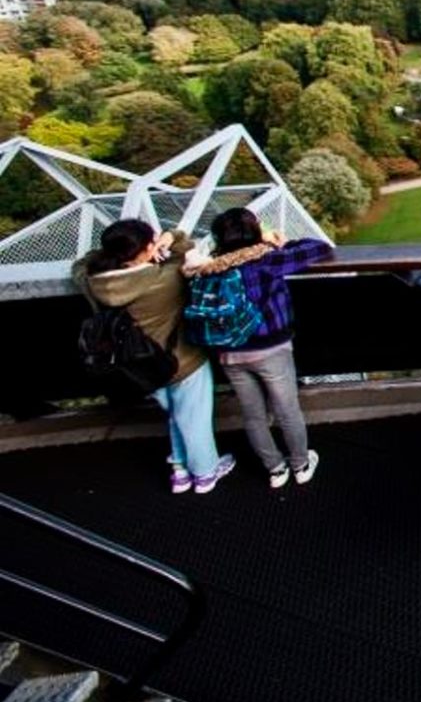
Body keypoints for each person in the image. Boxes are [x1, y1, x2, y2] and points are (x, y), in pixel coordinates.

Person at [76, 219, 234, 495]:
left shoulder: (93, 281)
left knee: (176, 416)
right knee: (193, 418)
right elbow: (189, 250)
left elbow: (81, 263)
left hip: (138, 365)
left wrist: (114, 253)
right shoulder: (166, 279)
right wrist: (171, 237)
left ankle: (181, 470)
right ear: (148, 246)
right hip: (182, 360)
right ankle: (206, 473)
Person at [183, 209, 332, 488]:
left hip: (229, 353)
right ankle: (300, 464)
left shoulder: (209, 267)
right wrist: (274, 241)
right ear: (253, 233)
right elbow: (319, 247)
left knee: (253, 414)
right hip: (271, 348)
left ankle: (275, 469)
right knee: (287, 410)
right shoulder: (266, 261)